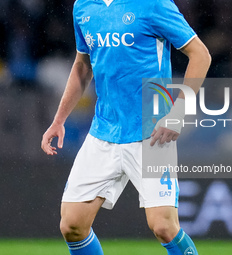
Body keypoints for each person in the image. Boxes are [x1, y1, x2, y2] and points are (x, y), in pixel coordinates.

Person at [41, 0, 211, 254]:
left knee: (163, 225)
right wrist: (59, 119)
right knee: (72, 224)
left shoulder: (154, 4)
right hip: (104, 132)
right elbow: (82, 65)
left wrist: (178, 113)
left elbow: (200, 54)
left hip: (151, 134)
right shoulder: (83, 6)